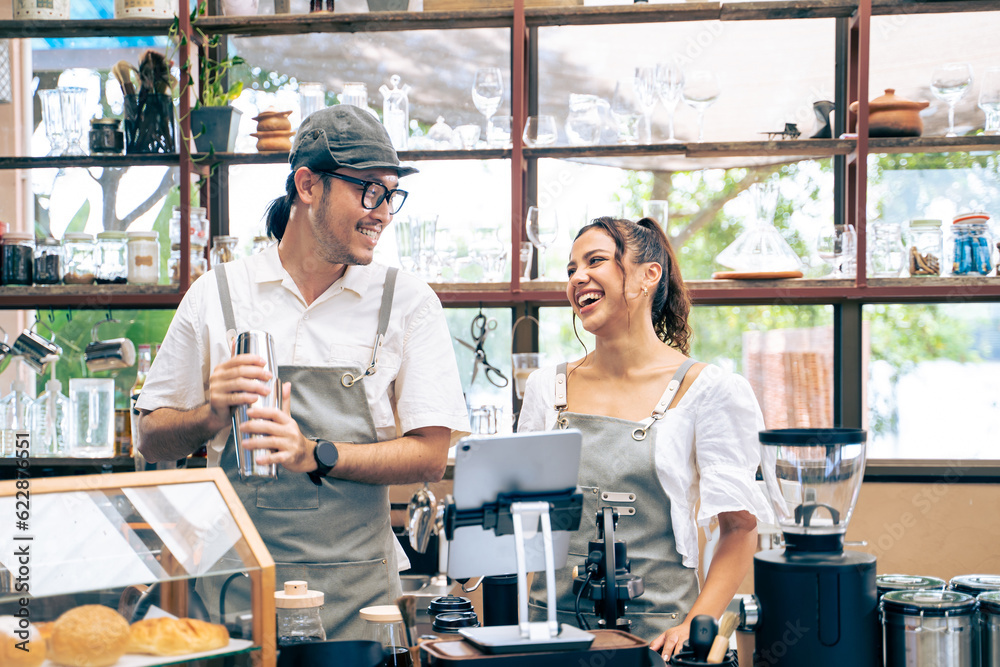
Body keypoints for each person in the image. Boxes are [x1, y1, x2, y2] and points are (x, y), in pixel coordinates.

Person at [136, 105, 470, 640]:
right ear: (308, 185)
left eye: (390, 195)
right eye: (368, 190)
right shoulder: (218, 294)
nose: (382, 212)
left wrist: (313, 453)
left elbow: (431, 455)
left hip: (361, 605)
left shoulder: (405, 302)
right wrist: (209, 414)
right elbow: (151, 438)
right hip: (239, 595)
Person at [517, 216, 771, 658]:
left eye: (594, 260)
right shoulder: (546, 388)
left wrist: (697, 622)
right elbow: (520, 521)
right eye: (571, 269)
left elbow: (739, 528)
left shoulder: (708, 391)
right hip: (550, 637)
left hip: (657, 638)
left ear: (649, 275)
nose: (578, 277)